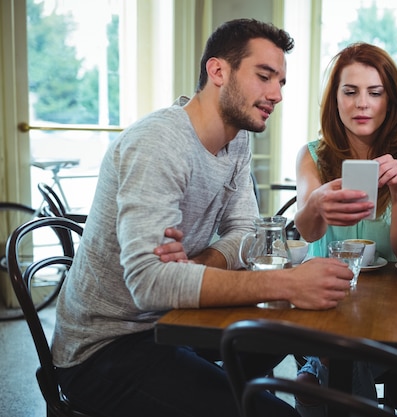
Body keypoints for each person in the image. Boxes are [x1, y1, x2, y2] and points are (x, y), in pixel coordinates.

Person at [51, 18, 355, 417]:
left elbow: (245, 230)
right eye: (265, 76)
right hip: (106, 348)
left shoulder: (237, 137)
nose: (276, 94)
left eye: (281, 82)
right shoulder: (159, 142)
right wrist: (287, 284)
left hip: (173, 321)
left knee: (282, 333)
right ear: (218, 71)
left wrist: (195, 266)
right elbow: (149, 284)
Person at [292, 42, 397, 416]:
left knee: (343, 356)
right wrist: (319, 202)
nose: (362, 104)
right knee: (345, 349)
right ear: (334, 99)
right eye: (350, 91)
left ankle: (315, 371)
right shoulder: (312, 155)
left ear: (390, 101)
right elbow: (307, 232)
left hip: (394, 306)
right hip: (326, 301)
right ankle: (320, 368)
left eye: (375, 92)